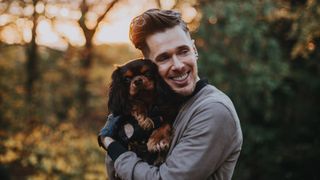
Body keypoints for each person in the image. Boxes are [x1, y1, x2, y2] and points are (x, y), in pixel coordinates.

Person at [98, 9, 243, 180]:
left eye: (183, 51)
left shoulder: (213, 110)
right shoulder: (153, 107)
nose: (178, 65)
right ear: (149, 65)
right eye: (163, 58)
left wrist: (114, 148)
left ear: (194, 49)